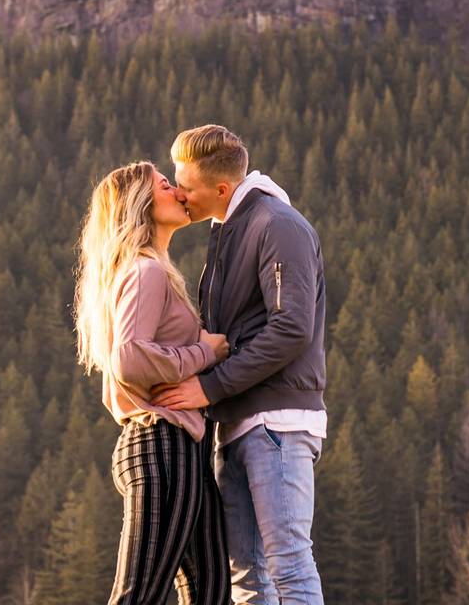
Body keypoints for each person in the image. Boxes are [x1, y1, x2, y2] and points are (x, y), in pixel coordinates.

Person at [153, 125, 327, 604]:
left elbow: (292, 328)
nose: (179, 194)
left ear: (222, 189)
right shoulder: (229, 231)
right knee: (248, 577)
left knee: (288, 564)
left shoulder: (277, 225)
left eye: (185, 186)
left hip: (276, 424)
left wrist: (210, 389)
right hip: (237, 423)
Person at [74, 161, 232, 605]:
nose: (179, 192)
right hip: (163, 445)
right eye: (166, 186)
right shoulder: (147, 272)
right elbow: (129, 358)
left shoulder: (149, 270)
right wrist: (206, 352)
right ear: (141, 205)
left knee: (212, 594)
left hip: (182, 450)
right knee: (139, 595)